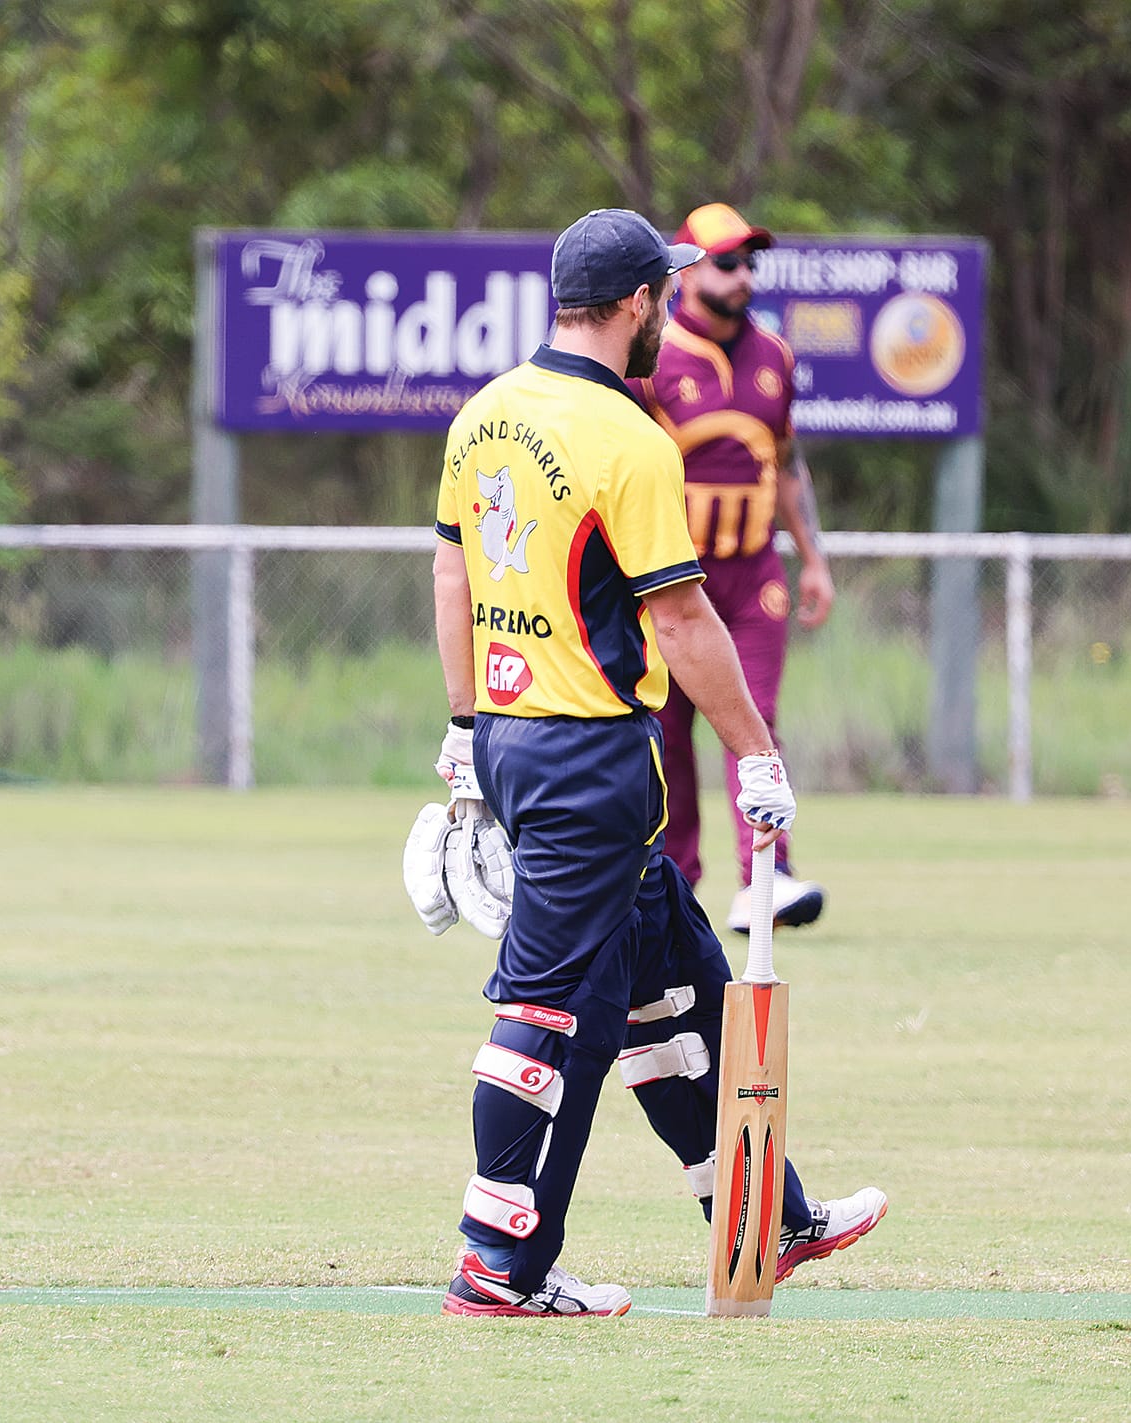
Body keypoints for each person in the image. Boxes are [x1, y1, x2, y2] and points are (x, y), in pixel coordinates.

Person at [427, 209, 882, 1317]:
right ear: (638, 303)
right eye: (661, 294)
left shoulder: (484, 413)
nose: (667, 308)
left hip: (516, 735)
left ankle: (763, 1214)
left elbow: (450, 581)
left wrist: (462, 727)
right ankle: (499, 1266)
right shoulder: (626, 433)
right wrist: (757, 755)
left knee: (678, 991)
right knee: (545, 1016)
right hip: (589, 754)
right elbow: (679, 620)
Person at [638, 202, 834, 934]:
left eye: (751, 261)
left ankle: (767, 876)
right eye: (727, 261)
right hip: (672, 577)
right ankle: (673, 880)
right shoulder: (652, 359)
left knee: (755, 720)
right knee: (667, 730)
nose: (743, 274)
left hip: (754, 574)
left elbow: (785, 465)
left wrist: (813, 558)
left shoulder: (775, 356)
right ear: (688, 270)